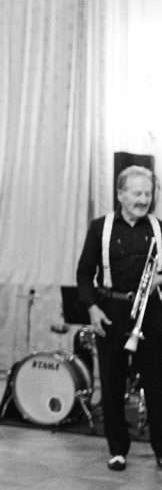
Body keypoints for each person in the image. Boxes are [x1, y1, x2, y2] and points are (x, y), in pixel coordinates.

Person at [76, 165, 162, 471]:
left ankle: (160, 449)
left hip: (151, 313)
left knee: (157, 383)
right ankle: (117, 449)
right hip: (111, 312)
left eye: (148, 193)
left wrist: (160, 279)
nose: (143, 199)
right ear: (120, 194)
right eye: (137, 193)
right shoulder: (101, 227)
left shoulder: (158, 227)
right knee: (112, 383)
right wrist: (92, 308)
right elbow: (84, 274)